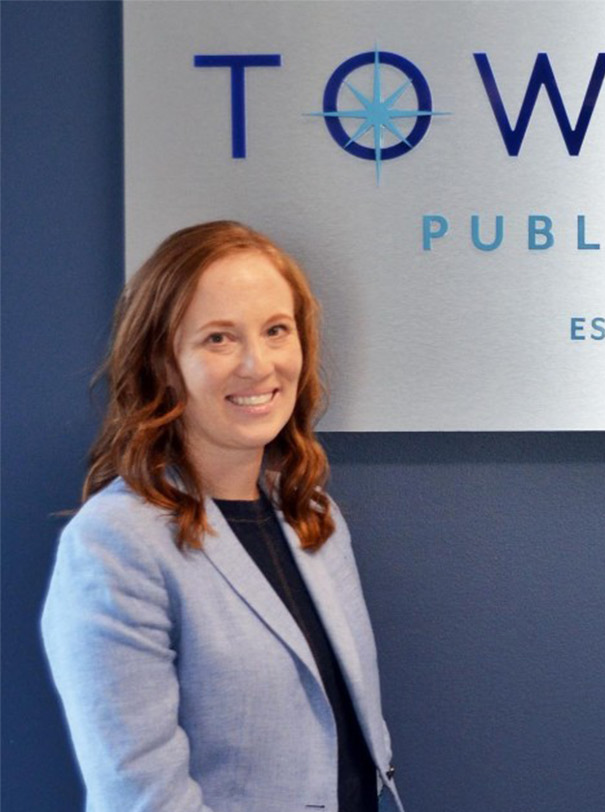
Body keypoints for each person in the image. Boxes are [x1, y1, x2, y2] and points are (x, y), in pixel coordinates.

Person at [42, 221, 404, 812]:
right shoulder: (115, 546)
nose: (258, 366)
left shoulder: (312, 514)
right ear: (163, 363)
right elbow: (144, 798)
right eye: (219, 339)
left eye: (276, 330)